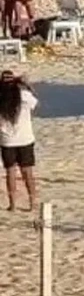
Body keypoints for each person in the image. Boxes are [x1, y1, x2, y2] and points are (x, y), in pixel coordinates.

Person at [0, 71, 39, 211]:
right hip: (25, 138)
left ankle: (13, 204)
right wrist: (27, 85)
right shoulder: (24, 96)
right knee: (27, 171)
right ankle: (32, 201)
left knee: (10, 172)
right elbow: (36, 103)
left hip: (7, 140)